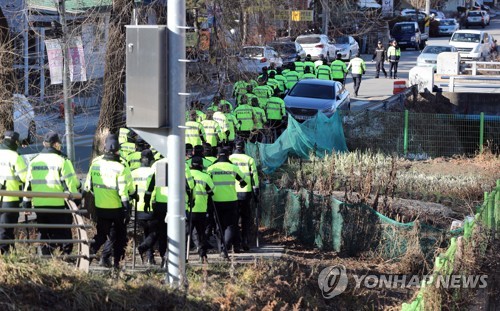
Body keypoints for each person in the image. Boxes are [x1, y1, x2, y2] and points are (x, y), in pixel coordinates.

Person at [23, 131, 80, 256]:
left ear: (44, 144)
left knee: (44, 231)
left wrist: (26, 204)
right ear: (56, 145)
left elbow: (28, 185)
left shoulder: (34, 161)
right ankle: (64, 256)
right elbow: (71, 184)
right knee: (62, 232)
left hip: (39, 204)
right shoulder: (62, 160)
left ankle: (45, 256)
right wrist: (76, 200)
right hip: (58, 204)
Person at [87, 134, 133, 269]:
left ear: (105, 147)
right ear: (118, 149)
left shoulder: (95, 164)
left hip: (100, 207)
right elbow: (126, 190)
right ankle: (116, 263)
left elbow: (89, 186)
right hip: (116, 208)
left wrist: (100, 197)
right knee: (119, 236)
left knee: (101, 234)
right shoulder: (121, 165)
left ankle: (89, 256)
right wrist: (127, 208)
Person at [207, 147, 247, 256]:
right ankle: (225, 247)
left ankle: (221, 248)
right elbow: (244, 182)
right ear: (228, 156)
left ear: (217, 156)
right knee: (230, 225)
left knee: (219, 225)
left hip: (216, 201)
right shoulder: (233, 168)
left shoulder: (211, 169)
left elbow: (207, 185)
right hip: (231, 200)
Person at [229, 140, 259, 251]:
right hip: (246, 191)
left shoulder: (230, 159)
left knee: (234, 218)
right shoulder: (249, 159)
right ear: (244, 147)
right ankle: (245, 240)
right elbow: (254, 176)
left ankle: (235, 243)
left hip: (232, 192)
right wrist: (256, 191)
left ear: (234, 147)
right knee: (245, 217)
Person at [0, 131, 27, 254]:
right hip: (10, 199)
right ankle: (6, 256)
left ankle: (9, 255)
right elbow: (24, 177)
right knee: (7, 230)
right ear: (15, 142)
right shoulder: (15, 157)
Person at [188, 156, 215, 263]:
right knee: (201, 234)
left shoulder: (186, 176)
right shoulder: (205, 177)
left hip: (187, 210)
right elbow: (212, 191)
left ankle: (183, 256)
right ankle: (202, 256)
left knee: (186, 233)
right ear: (201, 166)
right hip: (201, 210)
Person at [132, 150, 156, 265]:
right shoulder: (154, 172)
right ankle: (143, 248)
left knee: (147, 232)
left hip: (137, 207)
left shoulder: (133, 172)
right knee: (155, 232)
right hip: (151, 206)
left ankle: (150, 258)